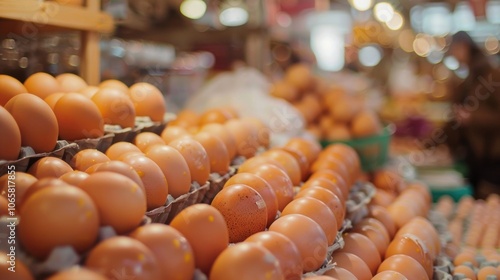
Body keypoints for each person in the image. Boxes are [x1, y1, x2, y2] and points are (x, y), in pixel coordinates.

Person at [444, 31, 500, 199]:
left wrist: (472, 118)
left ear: (464, 47)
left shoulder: (493, 75)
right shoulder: (470, 76)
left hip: (492, 156)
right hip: (475, 155)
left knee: (487, 203)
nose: (453, 56)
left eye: (454, 50)